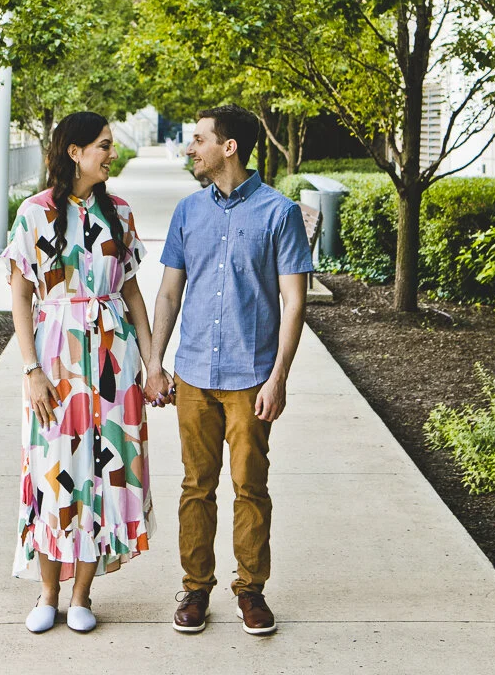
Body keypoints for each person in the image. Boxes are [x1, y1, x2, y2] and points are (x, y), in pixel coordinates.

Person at [146, 104, 314, 636]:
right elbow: (170, 291)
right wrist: (156, 361)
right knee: (196, 485)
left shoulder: (278, 213)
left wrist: (278, 376)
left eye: (199, 140)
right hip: (194, 372)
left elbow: (294, 302)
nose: (191, 148)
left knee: (249, 487)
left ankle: (251, 590)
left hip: (250, 377)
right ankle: (196, 589)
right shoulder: (188, 212)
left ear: (229, 147)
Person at [3, 111, 161, 635]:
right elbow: (21, 296)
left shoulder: (120, 211)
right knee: (55, 472)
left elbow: (133, 290)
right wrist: (31, 369)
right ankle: (48, 593)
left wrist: (151, 358)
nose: (111, 154)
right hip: (55, 360)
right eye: (103, 145)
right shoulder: (35, 213)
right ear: (74, 152)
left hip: (114, 360)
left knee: (102, 472)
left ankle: (81, 596)